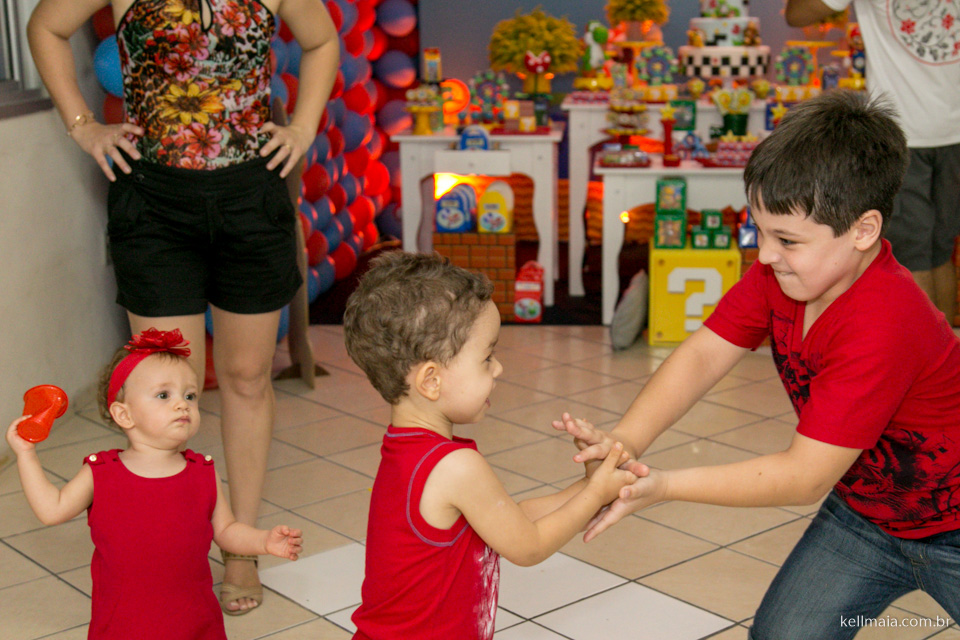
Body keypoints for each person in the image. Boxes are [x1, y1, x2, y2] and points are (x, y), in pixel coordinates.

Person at [556, 91, 960, 640]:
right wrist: (625, 442)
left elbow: (803, 476)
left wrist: (663, 485)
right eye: (761, 231)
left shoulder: (885, 320)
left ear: (864, 230)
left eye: (787, 239)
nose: (765, 254)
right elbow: (703, 355)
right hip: (865, 514)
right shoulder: (782, 275)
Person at [26, 0, 338, 614]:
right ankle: (178, 546)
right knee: (170, 385)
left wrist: (302, 128)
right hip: (154, 203)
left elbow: (323, 41)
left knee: (247, 377)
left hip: (251, 198)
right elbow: (45, 25)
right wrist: (82, 124)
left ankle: (240, 546)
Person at [342, 252, 636, 640]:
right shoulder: (455, 466)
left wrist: (590, 486)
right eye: (487, 357)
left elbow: (508, 522)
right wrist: (596, 493)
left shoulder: (406, 450)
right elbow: (528, 547)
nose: (498, 368)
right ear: (431, 381)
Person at [4, 328, 303, 639]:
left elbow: (226, 531)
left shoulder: (202, 472)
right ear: (124, 414)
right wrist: (26, 455)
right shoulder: (100, 473)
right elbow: (52, 510)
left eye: (190, 396)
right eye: (164, 395)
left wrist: (263, 541)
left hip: (193, 622)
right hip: (123, 626)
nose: (182, 405)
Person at [786, 0, 960, 323]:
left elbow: (797, 13)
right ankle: (946, 354)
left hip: (907, 134)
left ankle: (920, 354)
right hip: (948, 133)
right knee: (940, 252)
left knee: (912, 256)